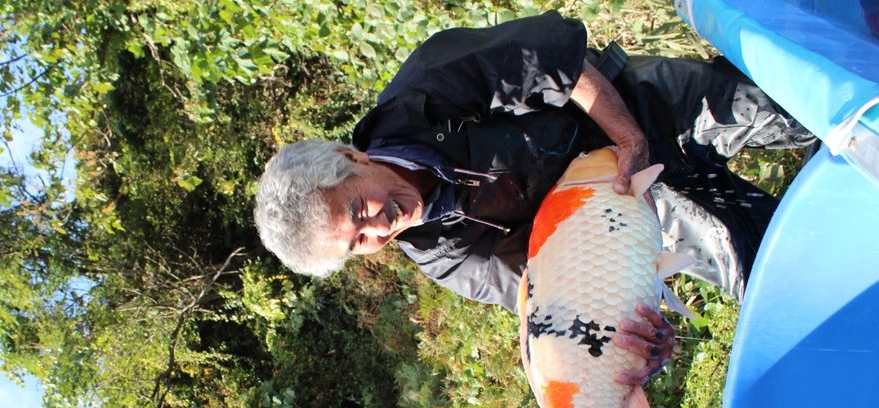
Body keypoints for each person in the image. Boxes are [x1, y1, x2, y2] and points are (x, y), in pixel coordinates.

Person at [254, 11, 815, 312]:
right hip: (627, 210)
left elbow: (552, 56)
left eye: (359, 209)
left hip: (637, 109)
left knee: (799, 106)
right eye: (359, 242)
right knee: (776, 275)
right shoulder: (442, 255)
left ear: (352, 158)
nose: (380, 226)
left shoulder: (425, 91)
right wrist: (620, 325)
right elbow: (543, 291)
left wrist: (628, 138)